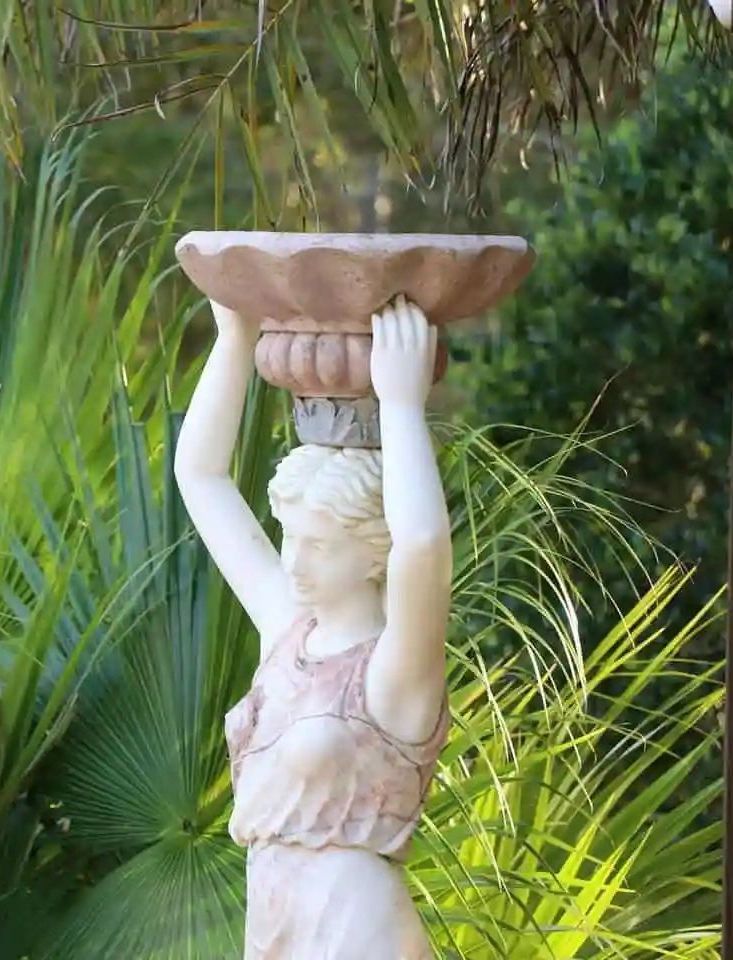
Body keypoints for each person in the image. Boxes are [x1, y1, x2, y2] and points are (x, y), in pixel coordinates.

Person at [173, 297, 452, 959]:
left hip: (355, 927)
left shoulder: (391, 676)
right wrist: (235, 338)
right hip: (274, 919)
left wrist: (402, 406)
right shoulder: (287, 630)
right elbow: (200, 477)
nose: (293, 562)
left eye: (319, 546)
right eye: (288, 536)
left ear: (370, 551)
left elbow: (423, 545)